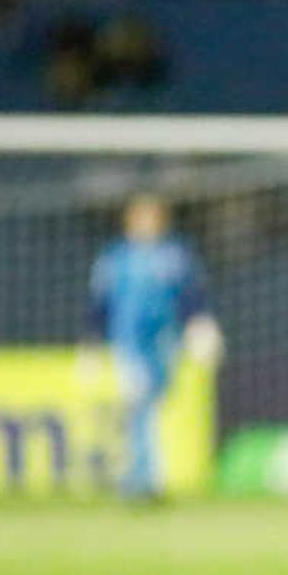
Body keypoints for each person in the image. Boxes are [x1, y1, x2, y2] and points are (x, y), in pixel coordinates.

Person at [86, 193, 220, 500]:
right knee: (139, 402)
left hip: (164, 341)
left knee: (154, 401)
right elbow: (100, 304)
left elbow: (190, 296)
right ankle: (143, 480)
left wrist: (200, 326)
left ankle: (140, 476)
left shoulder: (174, 254)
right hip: (128, 342)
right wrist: (91, 344)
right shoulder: (115, 258)